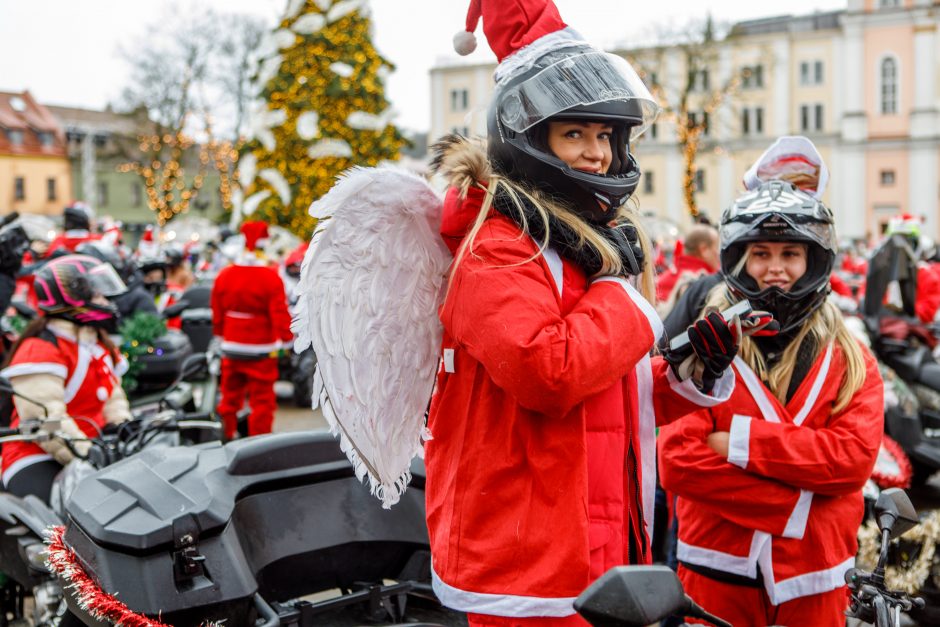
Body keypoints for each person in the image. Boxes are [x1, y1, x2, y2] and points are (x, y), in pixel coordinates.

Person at [424, 2, 750, 625]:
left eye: (605, 135)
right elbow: (546, 372)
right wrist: (624, 292)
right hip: (527, 560)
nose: (598, 153)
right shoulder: (498, 245)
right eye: (575, 133)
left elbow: (607, 399)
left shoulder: (572, 247)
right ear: (526, 136)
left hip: (592, 543)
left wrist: (687, 372)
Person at [658, 177, 883, 627]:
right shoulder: (705, 350)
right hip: (714, 577)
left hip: (815, 581)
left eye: (790, 254)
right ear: (741, 261)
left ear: (812, 260)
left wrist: (736, 441)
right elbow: (678, 462)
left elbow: (852, 461)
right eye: (760, 254)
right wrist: (806, 502)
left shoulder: (851, 359)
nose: (774, 268)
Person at [0, 255, 130, 503]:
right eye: (98, 295)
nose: (106, 301)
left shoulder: (95, 342)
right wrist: (84, 451)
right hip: (38, 454)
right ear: (73, 299)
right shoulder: (41, 349)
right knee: (68, 522)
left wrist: (123, 424)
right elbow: (46, 420)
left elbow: (112, 395)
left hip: (91, 449)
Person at [211, 220, 293, 439]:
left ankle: (226, 437)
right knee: (262, 402)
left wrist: (219, 335)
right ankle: (259, 443)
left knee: (229, 398)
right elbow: (279, 312)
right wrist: (287, 341)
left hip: (231, 346)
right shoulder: (270, 277)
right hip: (261, 349)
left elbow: (217, 311)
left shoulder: (225, 276)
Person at [655, 224, 720, 306]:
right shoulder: (706, 283)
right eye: (717, 247)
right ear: (704, 250)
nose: (719, 252)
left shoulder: (662, 280)